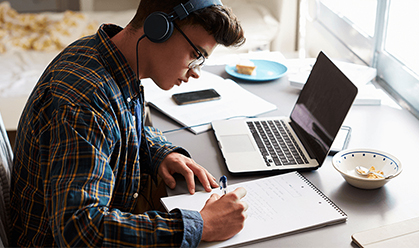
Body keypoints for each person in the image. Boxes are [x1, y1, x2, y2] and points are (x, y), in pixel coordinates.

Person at [9, 0, 248, 247]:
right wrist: (202, 225)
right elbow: (80, 230)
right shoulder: (86, 101)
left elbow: (120, 127)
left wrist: (160, 153)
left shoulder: (103, 56)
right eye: (196, 54)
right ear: (159, 27)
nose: (195, 71)